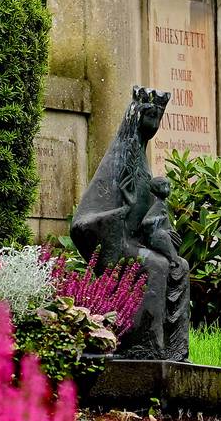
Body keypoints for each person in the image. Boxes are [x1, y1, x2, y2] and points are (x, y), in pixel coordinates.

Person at [70, 86, 189, 361]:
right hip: (117, 245)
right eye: (152, 117)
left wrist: (165, 233)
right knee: (157, 266)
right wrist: (118, 216)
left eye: (160, 118)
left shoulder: (141, 161)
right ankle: (143, 347)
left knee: (179, 266)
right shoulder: (117, 161)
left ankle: (174, 351)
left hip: (135, 242)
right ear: (138, 117)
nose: (156, 125)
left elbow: (149, 218)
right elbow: (81, 224)